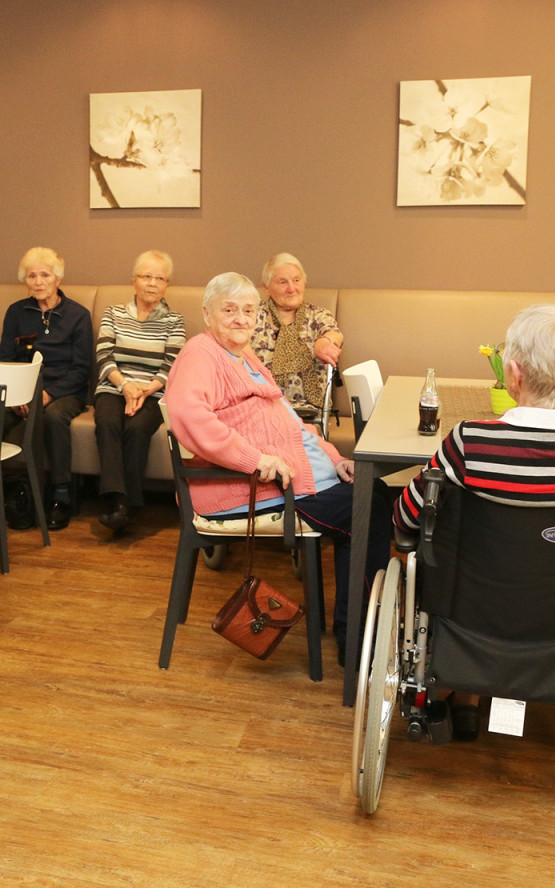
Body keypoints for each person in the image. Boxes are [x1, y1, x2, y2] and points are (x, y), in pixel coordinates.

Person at [393, 304, 555, 740]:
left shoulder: (470, 440)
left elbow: (409, 516)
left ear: (513, 374)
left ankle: (459, 689)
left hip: (470, 613)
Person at [165, 272, 394, 668]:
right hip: (256, 488)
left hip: (299, 478)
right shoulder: (200, 354)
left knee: (378, 493)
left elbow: (291, 422)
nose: (241, 318)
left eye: (249, 310)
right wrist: (255, 461)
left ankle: (360, 627)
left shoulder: (245, 357)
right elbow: (188, 416)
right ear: (207, 314)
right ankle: (357, 642)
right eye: (230, 310)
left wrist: (333, 458)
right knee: (370, 509)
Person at [0, 247, 94, 530]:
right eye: (31, 276)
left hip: (65, 392)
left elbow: (80, 369)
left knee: (52, 417)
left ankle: (59, 495)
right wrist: (17, 394)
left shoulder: (78, 315)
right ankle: (2, 491)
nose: (38, 281)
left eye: (45, 275)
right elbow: (5, 359)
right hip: (22, 390)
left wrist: (47, 394)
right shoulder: (16, 313)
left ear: (57, 279)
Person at [94, 250, 186, 531]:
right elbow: (103, 355)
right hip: (113, 386)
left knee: (136, 428)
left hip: (154, 392)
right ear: (134, 280)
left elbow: (172, 364)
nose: (152, 283)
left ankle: (126, 504)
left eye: (160, 278)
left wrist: (145, 390)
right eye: (146, 276)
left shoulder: (175, 321)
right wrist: (124, 385)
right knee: (108, 421)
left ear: (167, 285)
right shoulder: (113, 313)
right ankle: (119, 501)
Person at [250, 253, 343, 415]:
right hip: (260, 407)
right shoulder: (252, 317)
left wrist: (325, 342)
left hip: (308, 410)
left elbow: (334, 334)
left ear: (304, 283)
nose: (291, 288)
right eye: (282, 282)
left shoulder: (318, 316)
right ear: (267, 288)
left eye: (296, 280)